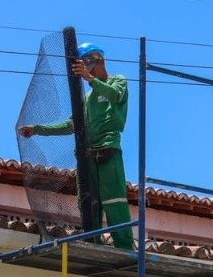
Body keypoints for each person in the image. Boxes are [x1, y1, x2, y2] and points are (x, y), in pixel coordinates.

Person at [18, 42, 134, 250]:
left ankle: (124, 247)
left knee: (114, 201)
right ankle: (94, 242)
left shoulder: (118, 82)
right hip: (87, 154)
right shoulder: (87, 99)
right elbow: (72, 124)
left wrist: (90, 80)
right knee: (88, 201)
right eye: (84, 67)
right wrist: (38, 129)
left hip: (108, 149)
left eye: (89, 64)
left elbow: (115, 95)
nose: (87, 71)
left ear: (101, 60)